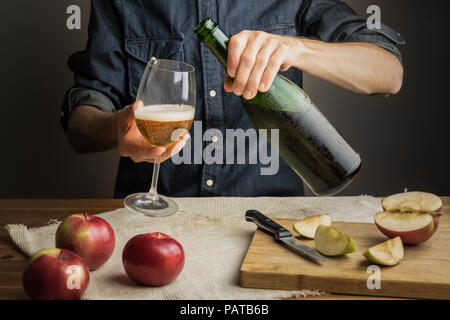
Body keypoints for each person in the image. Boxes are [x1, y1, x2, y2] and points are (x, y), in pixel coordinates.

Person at [61, 0, 404, 198]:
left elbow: (387, 73)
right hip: (153, 226)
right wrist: (116, 126)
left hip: (270, 223)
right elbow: (81, 126)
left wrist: (296, 47)